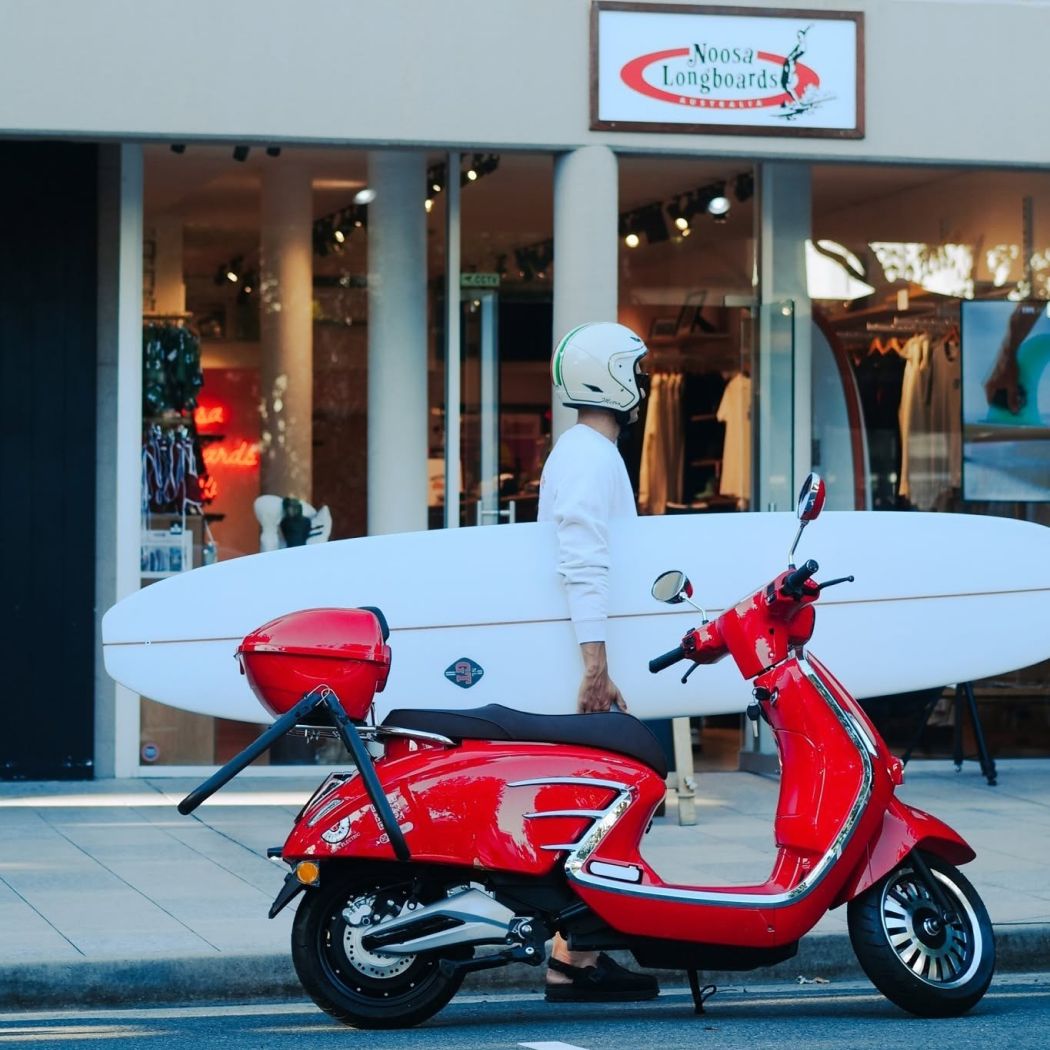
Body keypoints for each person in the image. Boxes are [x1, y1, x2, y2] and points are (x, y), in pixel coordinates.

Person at [538, 321, 659, 1003]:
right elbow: (581, 555)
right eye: (635, 372)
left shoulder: (589, 452)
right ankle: (572, 958)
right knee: (609, 799)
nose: (643, 384)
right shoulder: (589, 455)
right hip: (585, 659)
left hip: (593, 653)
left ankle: (576, 953)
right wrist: (595, 666)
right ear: (612, 377)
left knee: (600, 802)